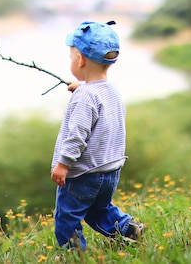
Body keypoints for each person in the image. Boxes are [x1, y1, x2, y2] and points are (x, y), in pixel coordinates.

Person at [50, 20, 144, 249]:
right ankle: (127, 228)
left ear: (80, 60)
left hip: (83, 173)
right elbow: (95, 101)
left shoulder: (85, 97)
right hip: (110, 171)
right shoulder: (110, 90)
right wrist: (81, 87)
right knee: (98, 210)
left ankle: (74, 255)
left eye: (72, 57)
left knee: (67, 219)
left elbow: (77, 135)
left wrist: (63, 164)